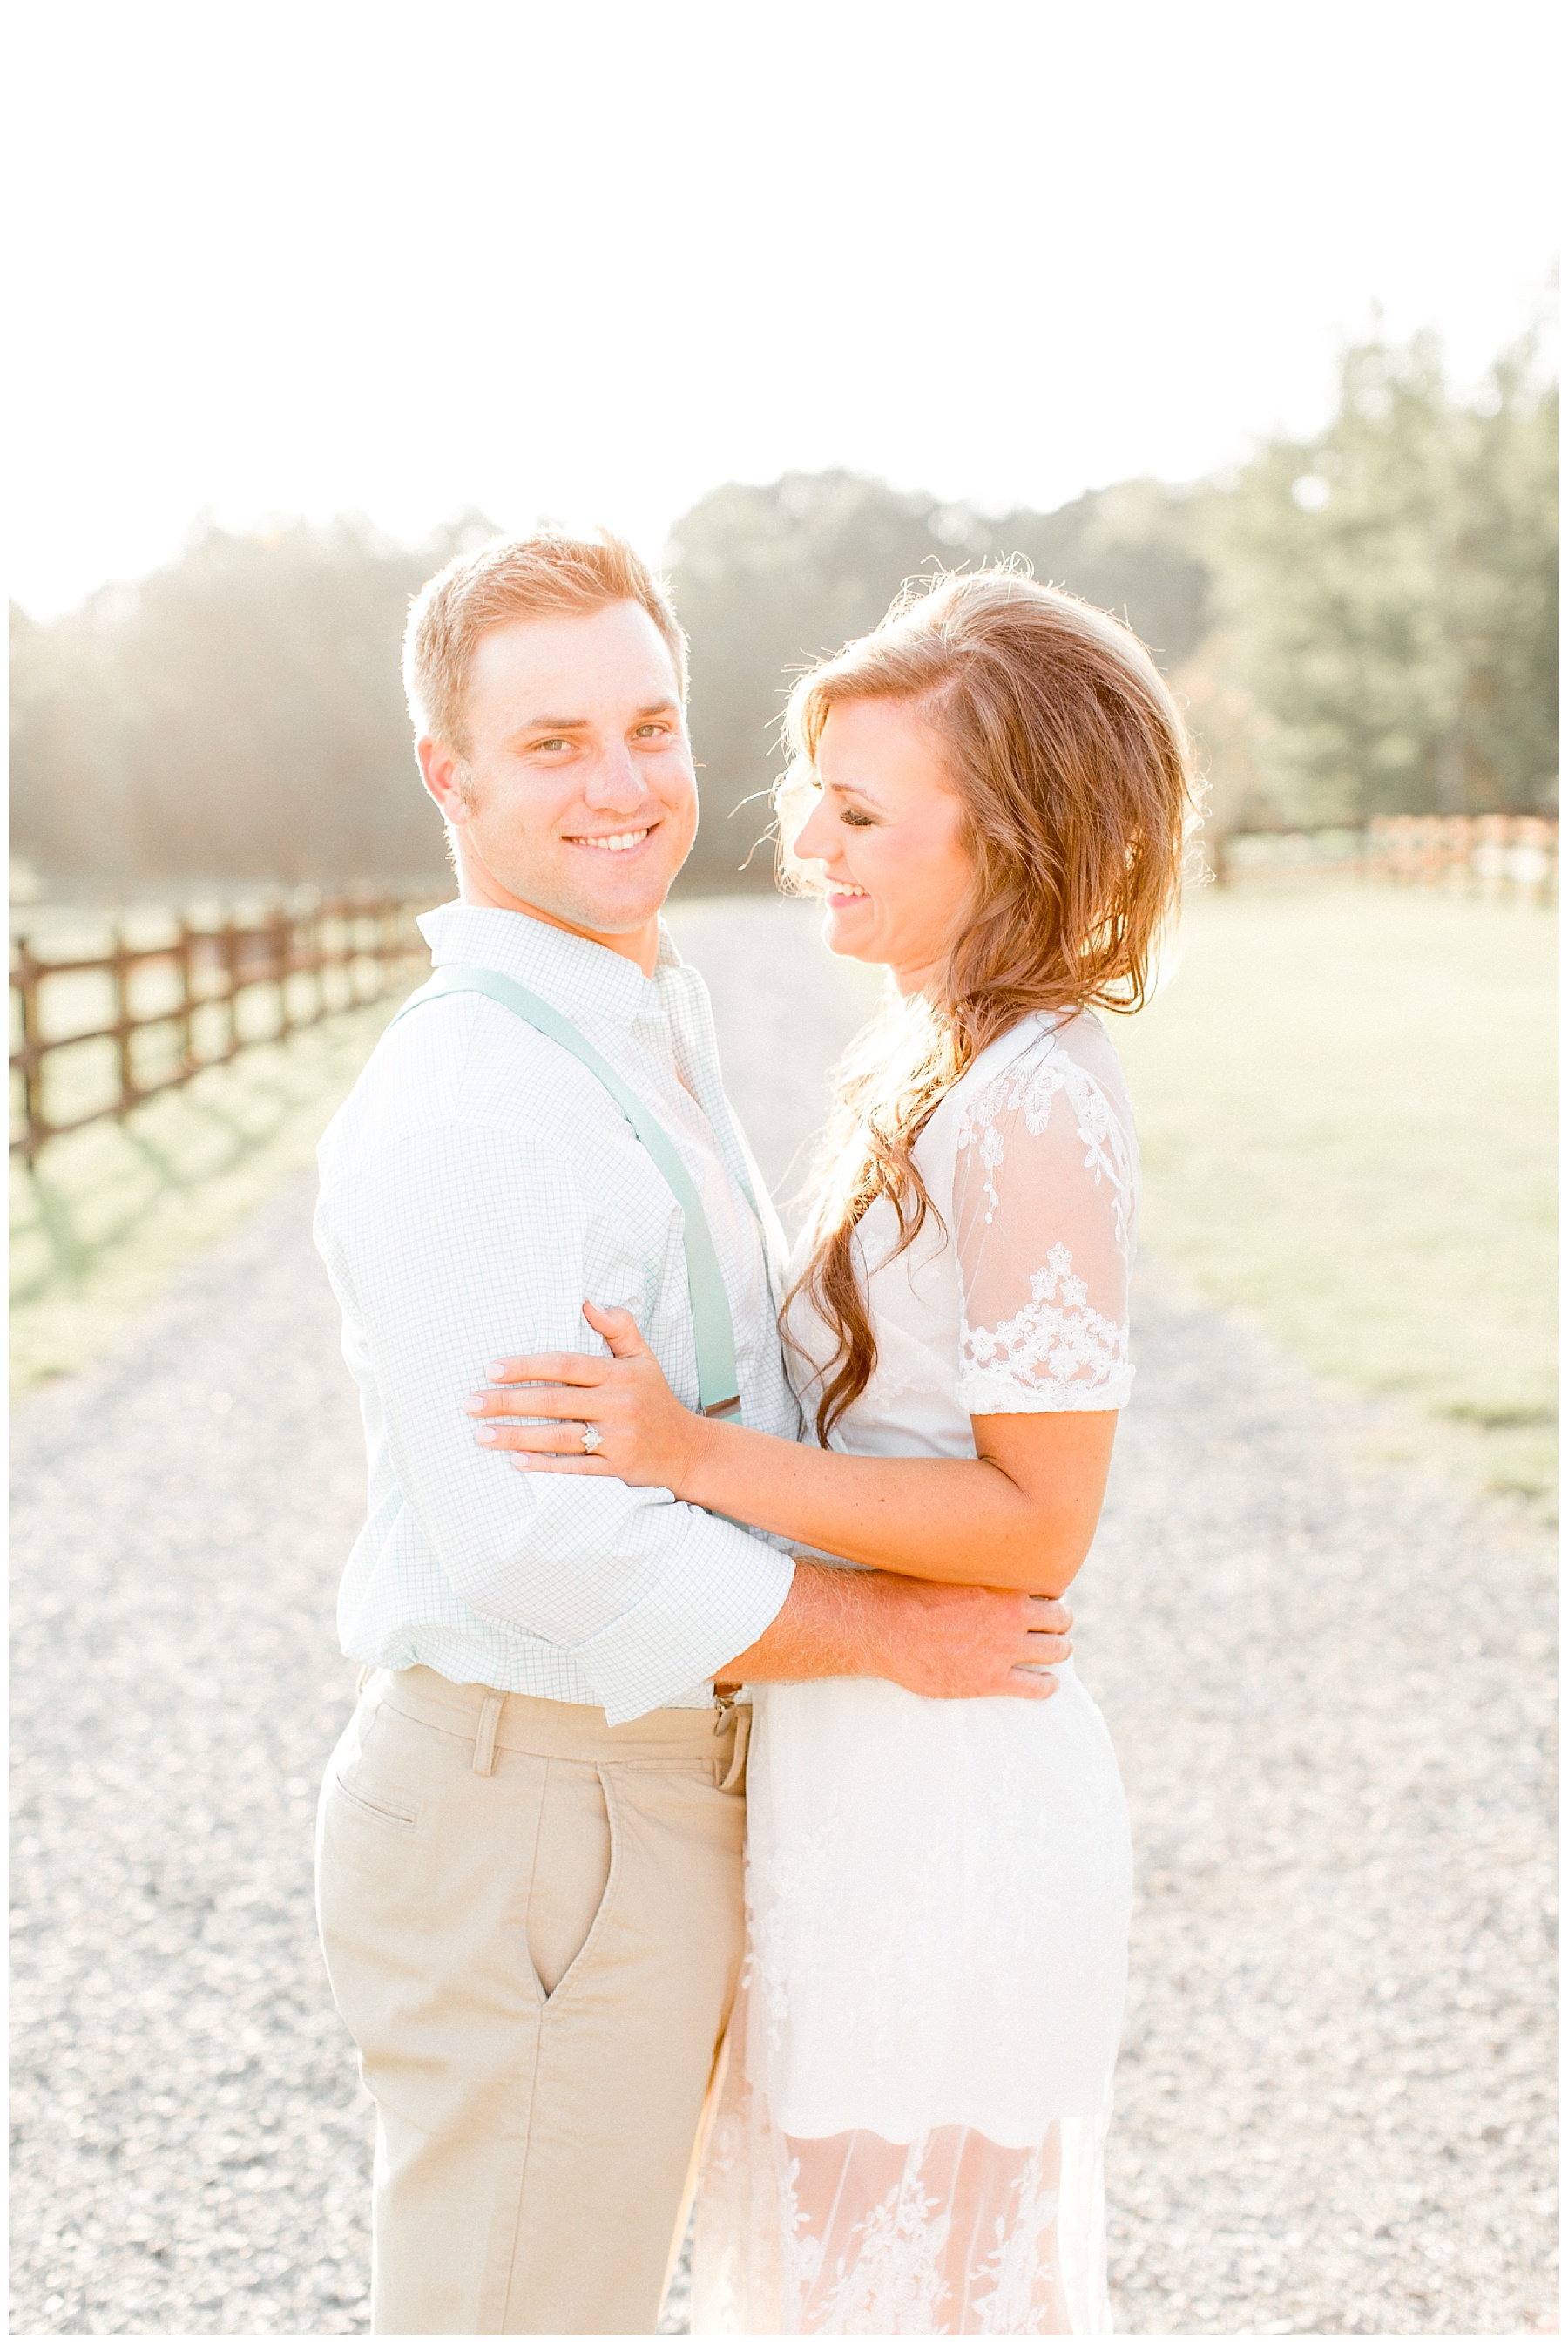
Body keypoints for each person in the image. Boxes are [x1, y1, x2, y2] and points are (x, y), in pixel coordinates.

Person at [310, 533, 1076, 2336]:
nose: (627, 783)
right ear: (451, 775)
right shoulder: (474, 1100)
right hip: (540, 1806)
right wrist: (898, 1631)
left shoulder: (637, 1020)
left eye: (649, 726)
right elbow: (542, 1545)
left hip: (645, 1789)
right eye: (556, 742)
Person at [468, 566, 1195, 2334]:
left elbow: (1040, 1526)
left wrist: (680, 1455)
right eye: (814, 790)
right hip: (852, 1772)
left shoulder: (1034, 1105)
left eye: (860, 808)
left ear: (1007, 833)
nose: (804, 836)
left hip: (949, 1792)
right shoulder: (926, 1058)